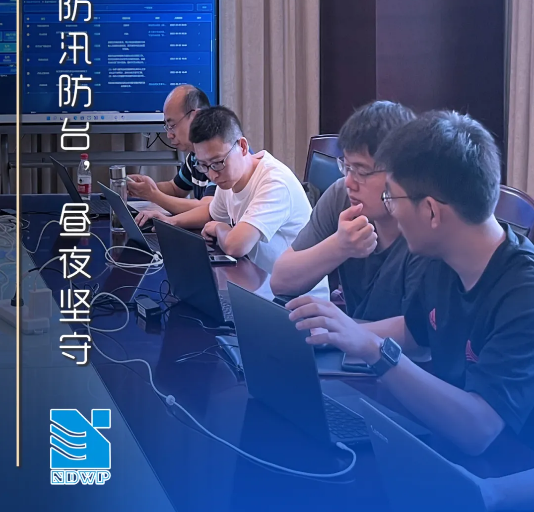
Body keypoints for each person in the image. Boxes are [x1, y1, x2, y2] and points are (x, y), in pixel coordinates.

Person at [286, 111, 534, 456]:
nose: (390, 210)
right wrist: (337, 330)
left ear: (431, 211)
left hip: (507, 467)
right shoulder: (442, 254)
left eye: (393, 197)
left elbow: (480, 429)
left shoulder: (523, 292)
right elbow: (416, 330)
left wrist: (375, 350)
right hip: (443, 444)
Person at [270, 101, 428, 321]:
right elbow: (280, 282)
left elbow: (422, 331)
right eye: (346, 167)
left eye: (361, 171)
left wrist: (344, 330)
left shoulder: (427, 222)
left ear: (401, 172)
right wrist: (339, 247)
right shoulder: (342, 196)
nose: (349, 182)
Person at [136, 106, 325, 286]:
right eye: (204, 165)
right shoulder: (229, 176)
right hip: (259, 281)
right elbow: (211, 213)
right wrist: (170, 222)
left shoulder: (274, 183)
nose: (212, 175)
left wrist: (220, 228)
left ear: (242, 146)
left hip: (297, 296)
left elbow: (236, 246)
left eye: (217, 163)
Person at [127, 84, 214, 214]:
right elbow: (175, 189)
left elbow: (208, 208)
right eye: (167, 127)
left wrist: (153, 195)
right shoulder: (194, 156)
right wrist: (146, 188)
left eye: (172, 125)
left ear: (196, 117)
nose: (169, 135)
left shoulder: (220, 157)